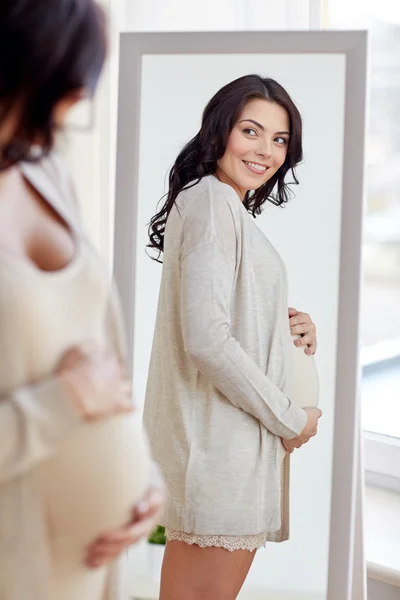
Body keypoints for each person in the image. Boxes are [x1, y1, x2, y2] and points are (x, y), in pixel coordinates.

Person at [0, 2, 163, 599]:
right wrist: (59, 404)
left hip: (97, 566)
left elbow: (96, 347)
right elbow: (75, 387)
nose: (77, 101)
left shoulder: (46, 167)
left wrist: (143, 481)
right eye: (70, 82)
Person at [143, 74, 322, 600]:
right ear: (220, 131)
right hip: (220, 454)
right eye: (251, 130)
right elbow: (206, 340)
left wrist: (291, 331)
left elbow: (221, 322)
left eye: (279, 139)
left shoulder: (222, 207)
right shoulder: (212, 203)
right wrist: (291, 419)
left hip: (231, 452)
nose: (265, 150)